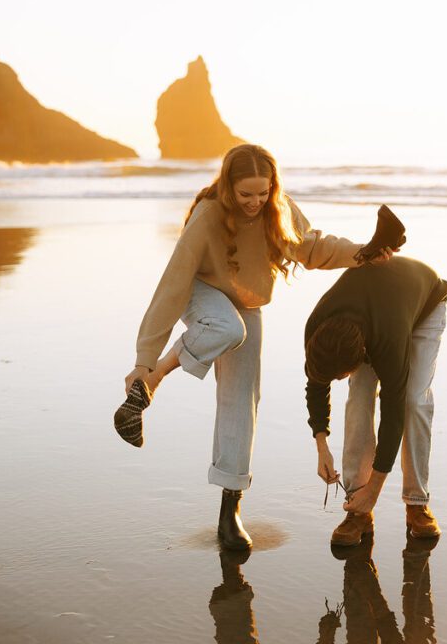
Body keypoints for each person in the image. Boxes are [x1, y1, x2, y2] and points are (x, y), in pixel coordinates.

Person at [114, 143, 392, 550]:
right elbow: (172, 284)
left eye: (262, 193)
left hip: (246, 302)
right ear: (228, 187)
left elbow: (312, 247)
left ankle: (230, 512)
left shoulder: (278, 208)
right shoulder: (209, 216)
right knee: (227, 329)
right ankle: (153, 376)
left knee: (242, 400)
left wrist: (364, 253)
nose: (255, 202)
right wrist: (143, 359)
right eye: (246, 194)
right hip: (201, 292)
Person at [304, 256, 447, 546]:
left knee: (413, 402)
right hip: (379, 305)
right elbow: (316, 383)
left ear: (361, 354)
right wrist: (321, 445)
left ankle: (416, 502)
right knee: (358, 398)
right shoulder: (317, 328)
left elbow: (393, 415)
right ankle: (357, 508)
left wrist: (375, 489)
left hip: (425, 303)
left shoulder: (388, 339)